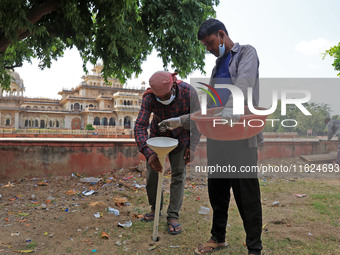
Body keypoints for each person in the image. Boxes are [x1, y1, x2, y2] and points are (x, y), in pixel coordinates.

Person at [192, 19, 262, 255]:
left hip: (241, 135)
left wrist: (232, 108)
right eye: (205, 45)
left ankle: (254, 247)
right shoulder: (216, 67)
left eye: (210, 42)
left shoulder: (246, 53)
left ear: (221, 35)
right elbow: (213, 103)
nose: (208, 49)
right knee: (217, 191)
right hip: (218, 137)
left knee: (246, 194)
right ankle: (218, 237)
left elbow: (243, 81)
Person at [134, 71, 200, 235]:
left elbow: (198, 120)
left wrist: (192, 147)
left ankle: (173, 216)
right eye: (159, 98)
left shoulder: (188, 92)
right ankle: (155, 209)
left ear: (173, 86)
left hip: (181, 138)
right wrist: (148, 153)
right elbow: (140, 126)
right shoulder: (149, 98)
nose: (163, 100)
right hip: (158, 137)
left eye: (166, 96)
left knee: (178, 174)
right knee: (153, 175)